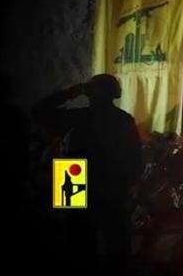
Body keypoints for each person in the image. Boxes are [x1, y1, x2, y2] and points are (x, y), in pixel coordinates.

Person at [31, 74, 142, 275]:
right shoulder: (124, 120)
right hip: (109, 179)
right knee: (116, 240)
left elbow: (38, 111)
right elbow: (136, 159)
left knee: (77, 240)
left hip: (71, 175)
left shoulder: (77, 117)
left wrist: (70, 93)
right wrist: (128, 184)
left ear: (89, 93)